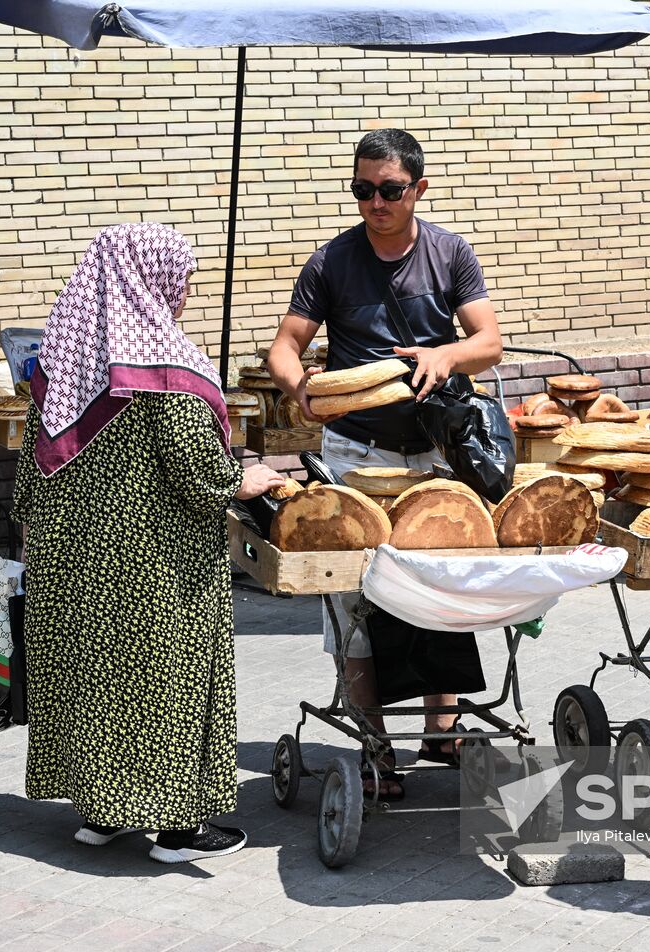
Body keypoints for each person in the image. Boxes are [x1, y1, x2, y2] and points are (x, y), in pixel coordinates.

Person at [11, 222, 283, 864]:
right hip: (154, 570)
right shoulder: (165, 369)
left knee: (93, 681)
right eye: (180, 278)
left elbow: (28, 478)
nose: (185, 290)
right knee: (162, 685)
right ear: (153, 282)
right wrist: (246, 477)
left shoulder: (64, 362)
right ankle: (177, 830)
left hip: (70, 565)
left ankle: (102, 813)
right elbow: (199, 477)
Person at [266, 128, 503, 800]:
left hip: (434, 451)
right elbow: (285, 346)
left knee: (440, 589)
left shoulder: (449, 252)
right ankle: (375, 743)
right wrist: (300, 390)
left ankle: (443, 730)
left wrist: (445, 356)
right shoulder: (332, 260)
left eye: (389, 190)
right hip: (353, 454)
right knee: (354, 597)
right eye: (363, 189)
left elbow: (489, 341)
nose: (375, 202)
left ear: (418, 190)